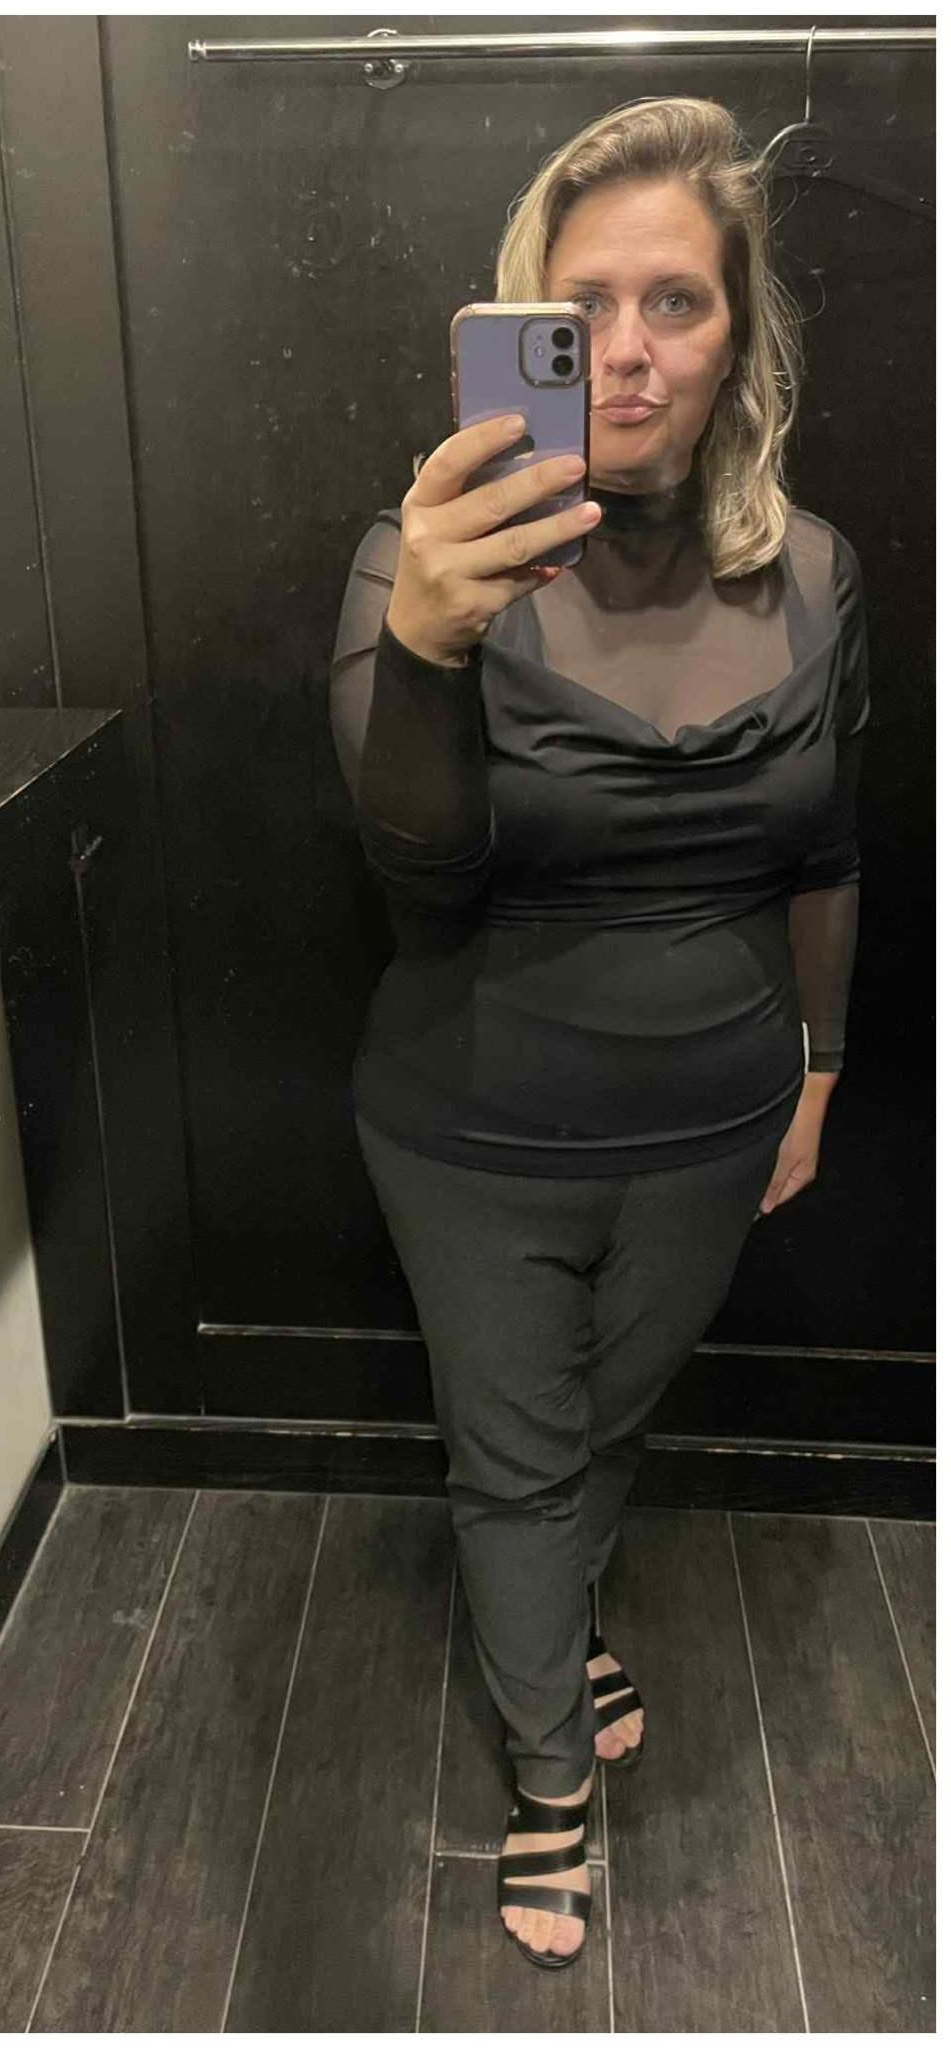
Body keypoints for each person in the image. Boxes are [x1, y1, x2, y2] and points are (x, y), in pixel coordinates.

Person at [328, 98, 865, 1970]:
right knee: (512, 1451)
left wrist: (814, 1063)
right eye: (581, 310)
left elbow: (827, 845)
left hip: (716, 1113)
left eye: (675, 303)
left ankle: (549, 1609)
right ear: (519, 332)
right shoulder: (424, 560)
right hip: (470, 1123)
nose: (627, 352)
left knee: (599, 1423)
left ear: (737, 337)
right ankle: (547, 1773)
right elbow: (415, 872)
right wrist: (421, 644)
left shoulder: (809, 571)